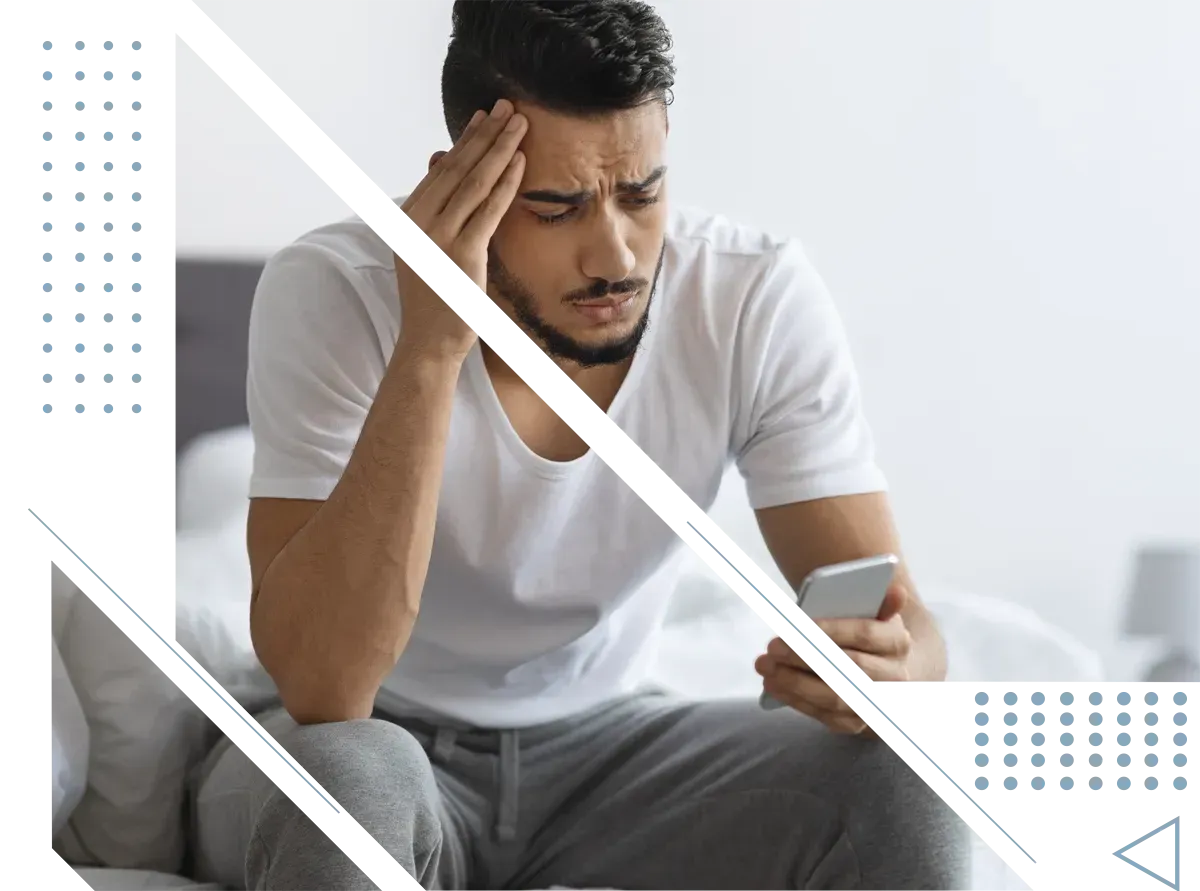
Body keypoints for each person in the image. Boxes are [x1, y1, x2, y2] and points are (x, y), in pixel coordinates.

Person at [189, 1, 970, 888]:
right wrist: (432, 343)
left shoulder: (751, 297)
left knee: (904, 779)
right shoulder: (336, 293)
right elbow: (325, 688)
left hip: (613, 757)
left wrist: (895, 665)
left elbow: (903, 624)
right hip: (372, 742)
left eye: (641, 194)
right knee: (348, 781)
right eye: (556, 208)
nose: (615, 257)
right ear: (465, 187)